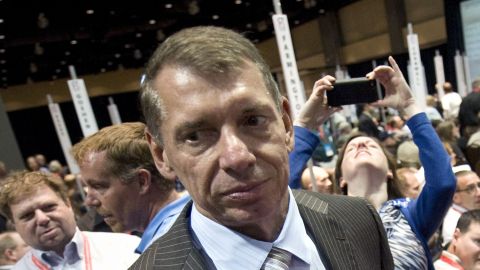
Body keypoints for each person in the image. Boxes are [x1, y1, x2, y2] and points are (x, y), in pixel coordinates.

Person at [130, 26, 393, 269]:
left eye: (253, 121)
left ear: (286, 124)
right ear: (161, 155)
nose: (237, 157)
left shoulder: (359, 219)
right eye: (196, 136)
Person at [289, 57, 456, 269]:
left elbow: (443, 183)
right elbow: (282, 196)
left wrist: (409, 106)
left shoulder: (410, 214)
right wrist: (304, 125)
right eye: (351, 149)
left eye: (371, 145)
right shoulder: (322, 216)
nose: (361, 146)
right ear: (341, 179)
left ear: (389, 172)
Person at [71, 122, 190, 253]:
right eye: (87, 188)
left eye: (99, 186)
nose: (89, 201)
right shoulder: (192, 224)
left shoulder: (171, 249)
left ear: (142, 181)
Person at [0, 171, 140, 269]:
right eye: (27, 215)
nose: (42, 219)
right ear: (14, 225)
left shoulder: (128, 249)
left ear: (68, 204)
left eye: (49, 207)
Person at [442, 165, 480, 246]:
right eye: (470, 189)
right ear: (455, 197)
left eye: (479, 185)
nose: (479, 193)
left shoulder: (472, 209)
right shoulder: (453, 225)